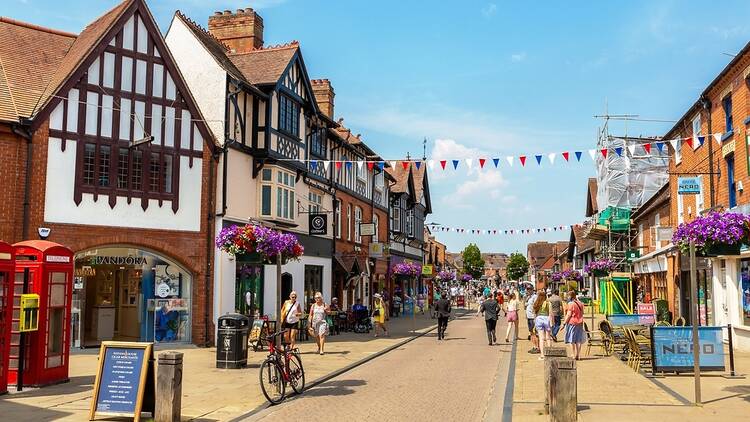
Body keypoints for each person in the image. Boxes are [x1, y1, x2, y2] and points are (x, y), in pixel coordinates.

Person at [561, 290, 585, 360]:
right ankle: (578, 355)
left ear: (570, 296)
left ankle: (573, 354)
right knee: (578, 339)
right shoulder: (580, 303)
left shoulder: (571, 304)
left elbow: (568, 315)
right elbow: (582, 313)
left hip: (572, 323)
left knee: (572, 339)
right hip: (580, 322)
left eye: (567, 296)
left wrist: (564, 323)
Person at [533, 290, 551, 360]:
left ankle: (542, 355)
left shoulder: (537, 303)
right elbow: (550, 313)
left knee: (541, 339)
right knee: (548, 338)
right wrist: (552, 322)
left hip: (538, 319)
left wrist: (535, 323)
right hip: (546, 319)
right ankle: (550, 354)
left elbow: (535, 314)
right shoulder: (548, 303)